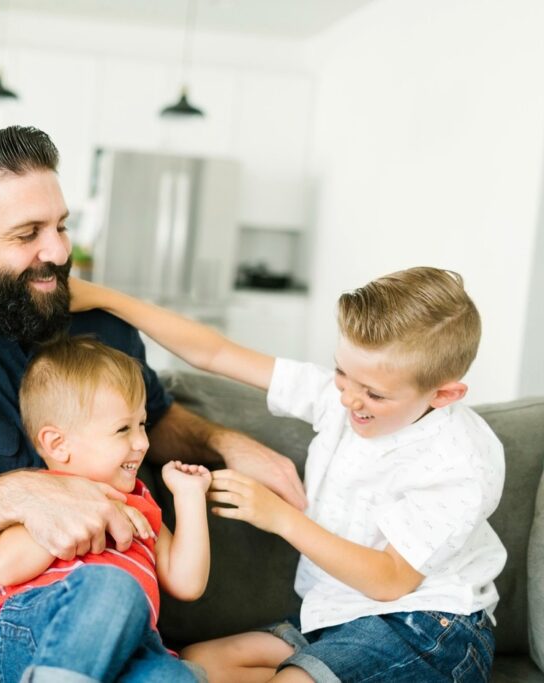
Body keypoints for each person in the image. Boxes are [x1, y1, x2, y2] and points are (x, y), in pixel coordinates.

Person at [0, 125, 306, 682]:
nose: (59, 251)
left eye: (61, 225)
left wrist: (226, 443)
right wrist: (23, 496)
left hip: (100, 618)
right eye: (27, 233)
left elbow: (155, 419)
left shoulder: (103, 330)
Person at [73, 267, 505, 682]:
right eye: (342, 373)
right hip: (340, 616)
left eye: (374, 394)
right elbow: (215, 353)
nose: (349, 400)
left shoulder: (459, 460)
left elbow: (390, 580)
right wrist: (102, 297)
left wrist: (279, 517)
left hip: (428, 628)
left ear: (444, 394)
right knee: (198, 664)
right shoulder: (341, 397)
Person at [0, 336, 210, 682]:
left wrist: (190, 497)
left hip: (131, 647)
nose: (142, 442)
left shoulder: (140, 505)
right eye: (123, 429)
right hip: (41, 631)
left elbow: (187, 583)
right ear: (58, 444)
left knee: (176, 678)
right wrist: (85, 513)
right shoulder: (39, 494)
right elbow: (6, 567)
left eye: (142, 424)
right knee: (113, 588)